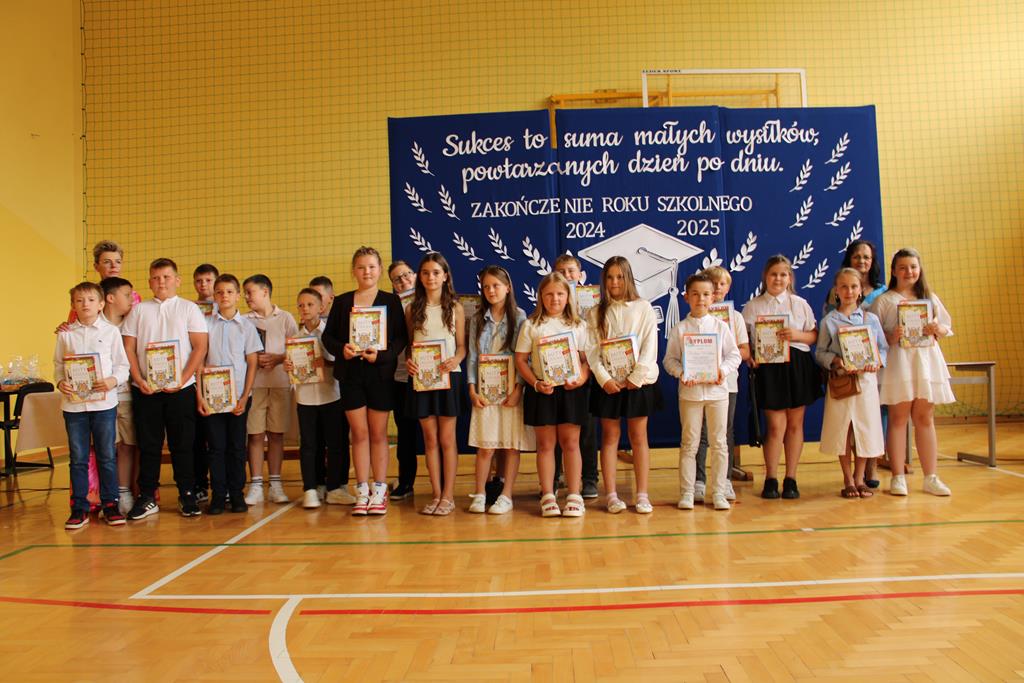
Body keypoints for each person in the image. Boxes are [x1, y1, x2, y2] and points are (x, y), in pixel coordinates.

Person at [121, 258, 209, 519]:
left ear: (177, 280)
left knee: (183, 444)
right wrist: (139, 378)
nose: (161, 282)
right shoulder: (139, 310)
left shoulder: (189, 308)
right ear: (149, 282)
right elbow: (128, 347)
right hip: (146, 390)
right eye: (156, 278)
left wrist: (182, 379)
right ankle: (147, 496)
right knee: (149, 445)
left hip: (181, 389)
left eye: (166, 277)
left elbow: (200, 347)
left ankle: (187, 494)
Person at [324, 247, 407, 515]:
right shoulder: (342, 302)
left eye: (371, 266)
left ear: (380, 270)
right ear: (354, 271)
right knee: (359, 434)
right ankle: (362, 489)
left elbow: (400, 339)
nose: (366, 272)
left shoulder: (391, 301)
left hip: (380, 376)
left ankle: (379, 489)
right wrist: (343, 349)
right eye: (361, 267)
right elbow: (328, 338)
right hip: (351, 376)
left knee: (378, 434)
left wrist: (382, 355)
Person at [869, 248, 954, 496]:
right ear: (894, 271)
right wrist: (890, 336)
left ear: (920, 269)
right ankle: (897, 477)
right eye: (903, 267)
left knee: (925, 418)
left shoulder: (929, 298)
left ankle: (931, 477)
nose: (909, 272)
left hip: (926, 363)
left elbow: (946, 326)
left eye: (913, 267)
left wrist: (936, 328)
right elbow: (870, 337)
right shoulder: (884, 301)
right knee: (898, 419)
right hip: (900, 365)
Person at [741, 255, 821, 500]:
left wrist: (797, 335)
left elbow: (813, 336)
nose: (778, 279)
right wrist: (750, 357)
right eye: (773, 274)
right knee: (775, 427)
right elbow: (745, 342)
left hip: (797, 366)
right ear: (765, 277)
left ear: (790, 278)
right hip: (769, 369)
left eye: (783, 274)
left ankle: (791, 478)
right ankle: (771, 478)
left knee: (795, 425)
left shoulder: (800, 304)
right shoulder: (753, 306)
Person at [586, 256, 661, 514]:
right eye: (609, 277)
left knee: (639, 437)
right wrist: (605, 379)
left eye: (619, 276)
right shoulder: (595, 312)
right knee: (609, 437)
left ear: (628, 278)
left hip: (638, 383)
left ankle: (642, 494)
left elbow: (650, 346)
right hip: (609, 385)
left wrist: (635, 377)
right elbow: (592, 351)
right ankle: (611, 495)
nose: (614, 282)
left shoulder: (643, 307)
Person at [54, 282, 131, 529]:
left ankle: (110, 505)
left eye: (90, 300)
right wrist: (60, 382)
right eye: (79, 300)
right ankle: (79, 508)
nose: (85, 304)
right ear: (72, 305)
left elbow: (123, 366)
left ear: (100, 304)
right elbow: (58, 365)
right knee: (77, 458)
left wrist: (111, 381)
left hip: (104, 405)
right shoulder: (65, 334)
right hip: (74, 407)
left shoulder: (111, 332)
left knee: (106, 455)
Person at [515, 272, 591, 518]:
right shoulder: (531, 325)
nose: (554, 299)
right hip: (542, 391)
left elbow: (586, 360)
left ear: (568, 296)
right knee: (546, 445)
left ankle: (574, 495)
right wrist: (536, 383)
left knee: (571, 443)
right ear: (540, 297)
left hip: (571, 390)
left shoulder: (578, 325)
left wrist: (581, 378)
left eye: (560, 294)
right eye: (549, 294)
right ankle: (548, 494)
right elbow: (520, 360)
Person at [664, 273, 741, 511]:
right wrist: (681, 373)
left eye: (706, 294)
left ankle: (718, 492)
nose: (701, 299)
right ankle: (687, 492)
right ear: (686, 297)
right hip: (690, 394)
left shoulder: (721, 326)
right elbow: (669, 360)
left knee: (719, 443)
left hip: (718, 393)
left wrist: (722, 370)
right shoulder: (680, 329)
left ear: (713, 297)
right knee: (689, 443)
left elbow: (734, 356)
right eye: (695, 294)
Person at [816, 268, 888, 498]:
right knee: (843, 430)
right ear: (836, 291)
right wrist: (836, 361)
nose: (849, 291)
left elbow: (883, 349)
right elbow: (820, 353)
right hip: (842, 383)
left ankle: (860, 478)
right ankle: (847, 479)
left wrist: (876, 362)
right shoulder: (829, 321)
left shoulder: (870, 319)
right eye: (844, 286)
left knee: (865, 429)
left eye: (854, 286)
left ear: (860, 290)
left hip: (866, 383)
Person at [466, 266, 532, 514]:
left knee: (511, 445)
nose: (491, 291)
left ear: (508, 287)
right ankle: (480, 493)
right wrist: (472, 389)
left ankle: (506, 495)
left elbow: (523, 357)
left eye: (496, 285)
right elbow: (473, 357)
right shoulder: (477, 320)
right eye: (486, 287)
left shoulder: (520, 316)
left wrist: (518, 389)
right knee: (486, 446)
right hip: (485, 392)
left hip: (510, 392)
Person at [405, 252, 466, 516]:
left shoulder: (455, 308)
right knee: (430, 440)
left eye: (436, 272)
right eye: (426, 272)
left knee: (447, 439)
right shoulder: (412, 309)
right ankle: (436, 494)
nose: (431, 277)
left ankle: (449, 496)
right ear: (420, 276)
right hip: (423, 380)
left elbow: (462, 346)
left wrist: (456, 360)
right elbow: (410, 346)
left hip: (449, 377)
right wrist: (409, 361)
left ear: (445, 276)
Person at [198, 274, 261, 514]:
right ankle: (218, 495)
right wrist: (200, 395)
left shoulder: (247, 326)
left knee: (236, 447)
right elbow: (200, 360)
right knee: (216, 447)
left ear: (238, 296)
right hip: (212, 398)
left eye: (229, 292)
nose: (224, 296)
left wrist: (245, 396)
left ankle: (236, 494)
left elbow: (252, 363)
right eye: (219, 292)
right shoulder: (206, 324)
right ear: (214, 296)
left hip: (238, 398)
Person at [286, 288, 348, 509]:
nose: (305, 309)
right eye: (301, 305)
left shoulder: (330, 334)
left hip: (331, 395)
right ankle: (311, 488)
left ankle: (335, 488)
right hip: (305, 398)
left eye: (310, 304)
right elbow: (293, 367)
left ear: (321, 307)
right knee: (309, 445)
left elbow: (341, 360)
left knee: (336, 443)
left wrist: (326, 363)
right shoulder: (295, 339)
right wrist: (289, 366)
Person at [692, 266, 749, 503]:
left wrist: (723, 356)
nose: (717, 288)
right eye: (712, 283)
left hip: (726, 384)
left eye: (722, 284)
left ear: (728, 288)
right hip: (698, 382)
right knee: (701, 433)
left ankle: (725, 481)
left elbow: (744, 351)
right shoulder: (695, 317)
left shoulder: (735, 318)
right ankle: (698, 481)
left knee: (724, 432)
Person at [242, 274, 299, 505]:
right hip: (254, 386)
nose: (246, 297)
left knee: (276, 435)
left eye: (250, 292)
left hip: (280, 385)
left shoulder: (285, 318)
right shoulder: (244, 320)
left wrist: (278, 358)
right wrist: (253, 359)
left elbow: (297, 349)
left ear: (265, 292)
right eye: (245, 293)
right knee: (255, 435)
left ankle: (275, 484)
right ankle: (256, 484)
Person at [552, 253, 600, 499]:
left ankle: (589, 478)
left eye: (571, 271)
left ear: (581, 275)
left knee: (587, 429)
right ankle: (555, 477)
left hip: (587, 372)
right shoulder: (551, 300)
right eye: (561, 271)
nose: (567, 275)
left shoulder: (594, 303)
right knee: (556, 430)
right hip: (557, 376)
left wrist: (585, 372)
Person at [100, 276, 140, 514]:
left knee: (127, 445)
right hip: (101, 400)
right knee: (106, 447)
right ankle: (108, 496)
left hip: (128, 396)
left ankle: (125, 491)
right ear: (110, 298)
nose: (131, 300)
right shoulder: (94, 325)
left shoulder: (132, 324)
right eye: (127, 295)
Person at [307, 275, 349, 500]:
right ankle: (318, 483)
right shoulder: (304, 328)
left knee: (338, 439)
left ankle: (339, 483)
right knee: (316, 440)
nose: (315, 301)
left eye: (319, 296)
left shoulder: (340, 323)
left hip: (338, 390)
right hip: (313, 394)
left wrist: (328, 363)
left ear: (331, 298)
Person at [387, 260, 419, 501]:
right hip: (400, 377)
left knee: (436, 434)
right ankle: (406, 481)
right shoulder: (388, 307)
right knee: (406, 433)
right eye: (397, 279)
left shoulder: (431, 300)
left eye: (407, 274)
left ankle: (441, 487)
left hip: (431, 377)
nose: (404, 280)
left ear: (415, 275)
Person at [191, 263, 219, 503]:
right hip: (195, 380)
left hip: (222, 381)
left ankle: (223, 484)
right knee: (198, 436)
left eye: (208, 280)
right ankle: (200, 483)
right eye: (199, 281)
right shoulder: (189, 311)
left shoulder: (226, 310)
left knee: (219, 436)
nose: (204, 285)